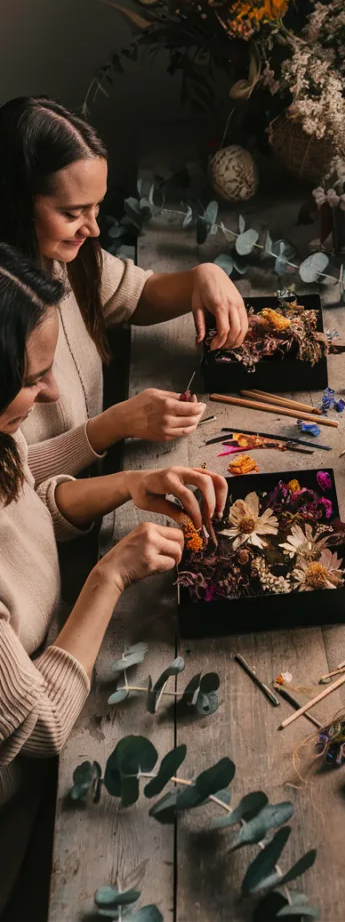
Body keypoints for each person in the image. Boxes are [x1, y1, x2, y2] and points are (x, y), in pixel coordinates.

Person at [0, 244, 227, 916]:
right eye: (31, 379)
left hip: (56, 647)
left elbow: (24, 507)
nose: (48, 395)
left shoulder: (1, 437)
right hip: (23, 815)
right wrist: (111, 573)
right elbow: (39, 724)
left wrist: (128, 482)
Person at [0, 96, 249, 484]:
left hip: (102, 482)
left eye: (96, 208)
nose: (94, 229)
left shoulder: (60, 258)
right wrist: (111, 426)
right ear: (15, 202)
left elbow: (133, 295)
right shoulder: (8, 304)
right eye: (71, 213)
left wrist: (200, 278)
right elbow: (13, 495)